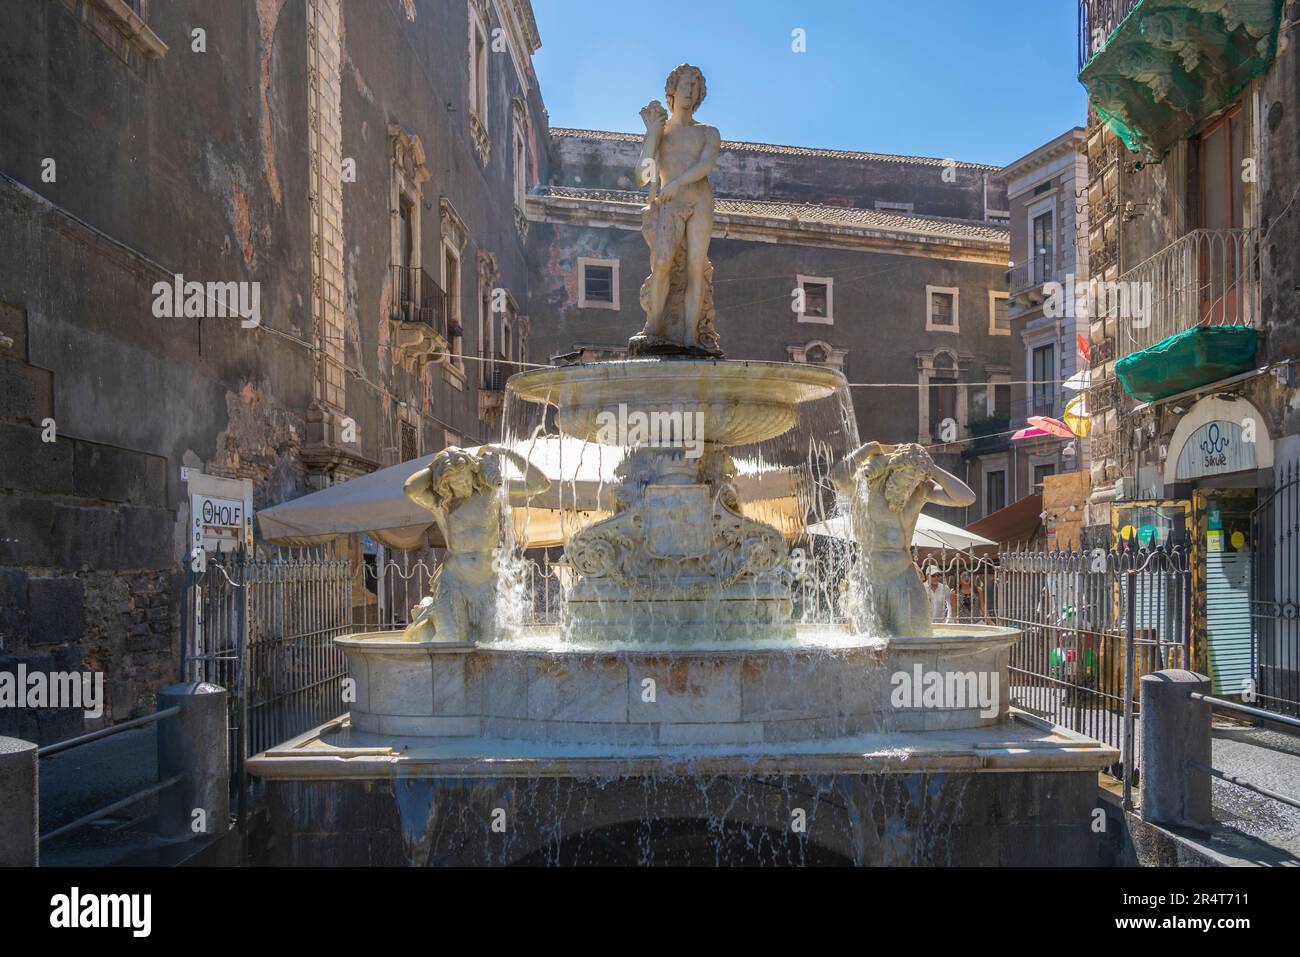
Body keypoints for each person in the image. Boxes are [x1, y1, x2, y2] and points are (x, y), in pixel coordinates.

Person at [401, 445, 549, 643]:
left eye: (464, 478)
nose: (461, 485)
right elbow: (410, 488)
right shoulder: (441, 504)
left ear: (473, 471)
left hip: (489, 582)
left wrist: (509, 453)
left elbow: (540, 484)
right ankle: (428, 617)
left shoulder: (492, 492)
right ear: (444, 485)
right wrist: (437, 466)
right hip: (455, 581)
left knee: (494, 644)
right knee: (451, 639)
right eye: (454, 483)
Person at [829, 441, 975, 636]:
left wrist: (932, 469)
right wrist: (869, 449)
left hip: (904, 575)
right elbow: (838, 476)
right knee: (866, 642)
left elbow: (966, 498)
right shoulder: (867, 486)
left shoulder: (920, 489)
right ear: (894, 469)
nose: (909, 487)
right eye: (905, 478)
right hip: (870, 576)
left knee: (918, 636)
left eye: (914, 482)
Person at [635, 64, 722, 353]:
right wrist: (652, 135)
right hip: (669, 205)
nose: (689, 91)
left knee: (696, 268)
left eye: (694, 87)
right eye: (684, 84)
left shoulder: (709, 132)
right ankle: (654, 328)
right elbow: (642, 176)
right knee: (662, 262)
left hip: (699, 201)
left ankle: (690, 337)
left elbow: (705, 165)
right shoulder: (662, 131)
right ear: (672, 89)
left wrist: (677, 183)